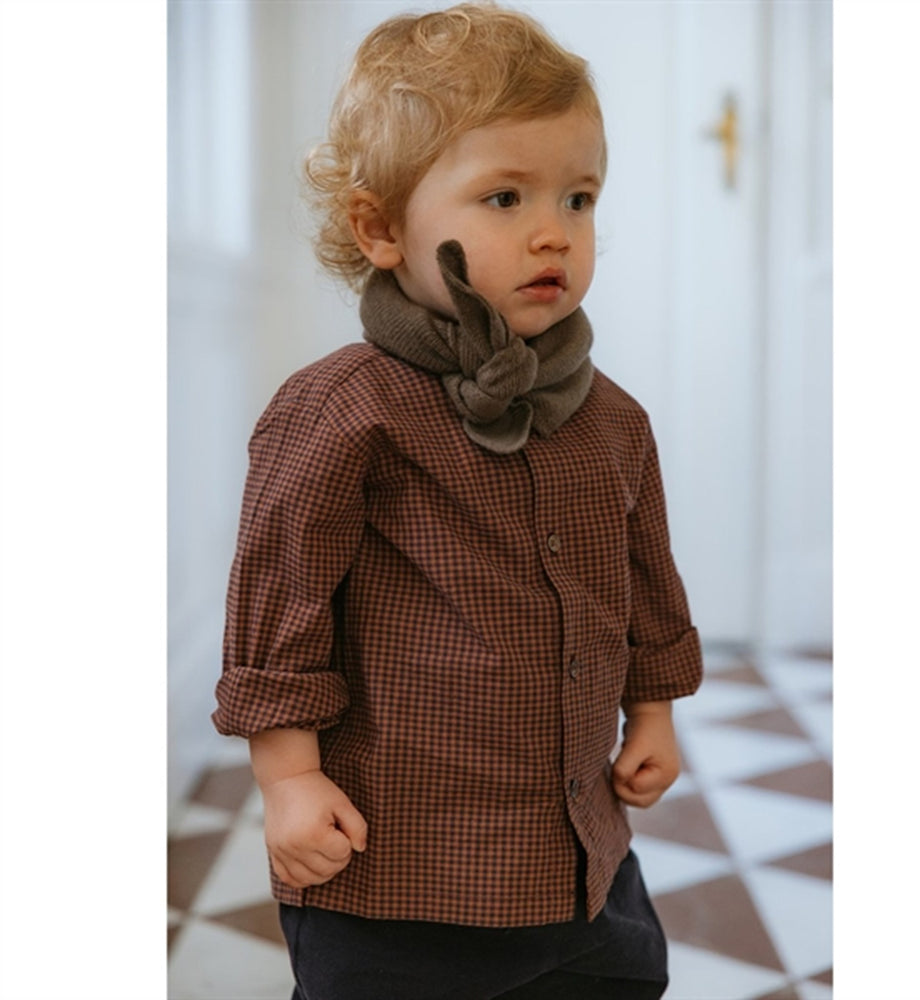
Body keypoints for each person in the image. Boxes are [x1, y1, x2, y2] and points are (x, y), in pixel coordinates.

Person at [213, 4, 702, 998]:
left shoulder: (614, 419)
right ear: (381, 229)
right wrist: (288, 777)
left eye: (578, 198)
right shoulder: (343, 411)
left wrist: (652, 711)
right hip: (399, 868)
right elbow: (283, 605)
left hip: (579, 858)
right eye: (504, 197)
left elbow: (643, 578)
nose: (552, 232)